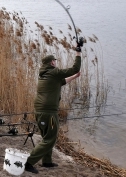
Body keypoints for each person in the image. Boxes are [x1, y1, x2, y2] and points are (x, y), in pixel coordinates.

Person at [25, 45, 82, 174]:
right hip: (48, 112)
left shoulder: (45, 74)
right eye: (55, 61)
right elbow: (75, 68)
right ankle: (28, 163)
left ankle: (47, 161)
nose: (56, 62)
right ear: (52, 62)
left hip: (40, 111)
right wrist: (78, 53)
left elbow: (61, 81)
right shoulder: (53, 72)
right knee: (50, 138)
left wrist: (74, 77)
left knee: (47, 136)